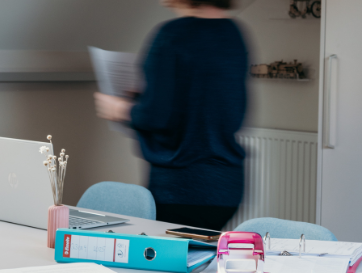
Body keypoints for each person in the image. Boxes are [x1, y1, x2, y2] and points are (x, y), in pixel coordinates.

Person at [94, 0, 249, 231]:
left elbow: (156, 117)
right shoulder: (234, 32)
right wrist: (147, 97)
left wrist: (118, 108)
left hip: (181, 188)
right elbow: (219, 105)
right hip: (226, 187)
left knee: (169, 253)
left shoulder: (173, 34)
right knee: (201, 251)